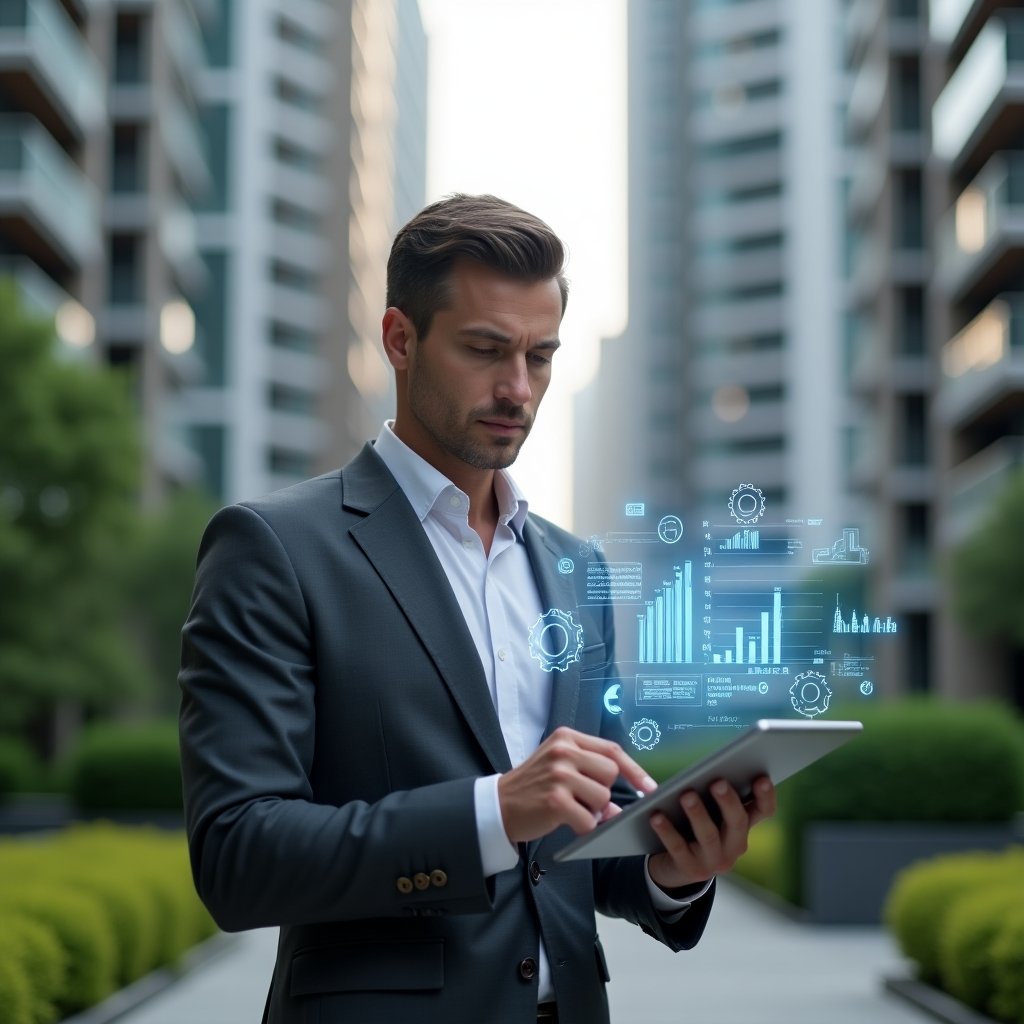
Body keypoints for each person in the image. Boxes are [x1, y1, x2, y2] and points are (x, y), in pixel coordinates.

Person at [178, 194, 776, 1024]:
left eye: (541, 355)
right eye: (486, 350)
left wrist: (674, 868)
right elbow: (238, 855)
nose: (517, 388)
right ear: (399, 338)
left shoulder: (576, 569)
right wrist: (494, 809)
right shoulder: (273, 550)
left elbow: (574, 850)